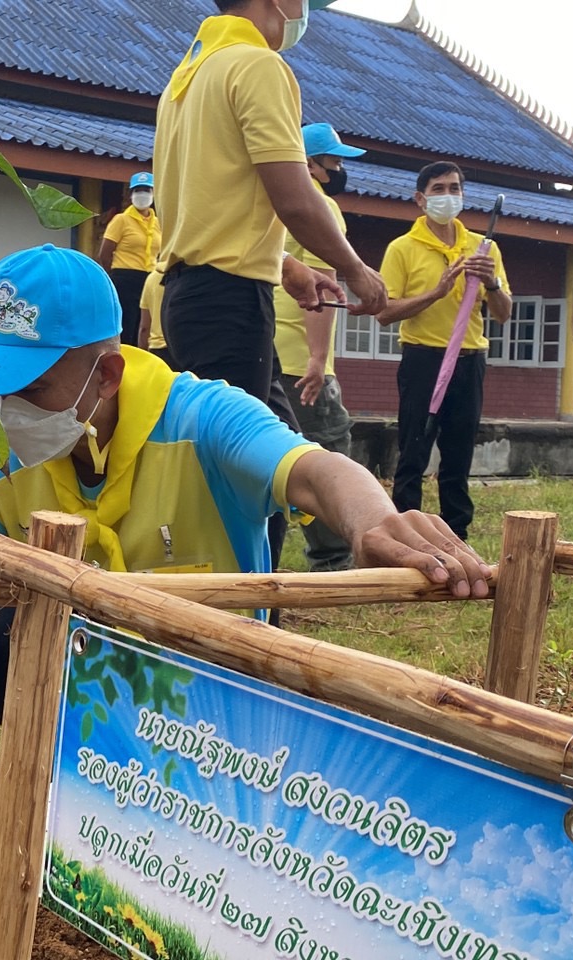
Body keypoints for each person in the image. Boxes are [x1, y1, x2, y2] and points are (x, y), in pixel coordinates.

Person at [0, 245, 491, 820]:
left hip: (218, 705)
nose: (4, 412)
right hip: (95, 691)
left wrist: (373, 520)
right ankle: (76, 794)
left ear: (104, 375)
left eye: (30, 389)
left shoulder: (202, 417)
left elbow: (313, 471)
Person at [153, 0, 387, 596]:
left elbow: (193, 204)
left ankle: (238, 601)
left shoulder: (188, 75)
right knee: (247, 467)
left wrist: (284, 265)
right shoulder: (257, 65)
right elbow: (296, 198)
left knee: (252, 444)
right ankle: (246, 614)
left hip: (191, 296)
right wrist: (355, 269)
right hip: (230, 304)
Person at [376, 161, 511, 542]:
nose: (448, 196)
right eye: (438, 189)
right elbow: (384, 312)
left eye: (455, 188)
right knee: (413, 453)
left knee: (458, 455)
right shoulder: (403, 248)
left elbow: (503, 314)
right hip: (424, 358)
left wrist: (493, 282)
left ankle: (457, 538)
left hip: (470, 361)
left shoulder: (484, 248)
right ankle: (406, 535)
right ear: (421, 199)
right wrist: (436, 292)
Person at [274, 123, 365, 571]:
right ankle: (334, 559)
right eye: (333, 161)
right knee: (328, 451)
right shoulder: (320, 206)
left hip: (266, 350)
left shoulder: (267, 201)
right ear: (309, 164)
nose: (339, 169)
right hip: (300, 356)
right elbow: (324, 287)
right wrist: (316, 358)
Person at [98, 172, 159, 349]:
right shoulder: (121, 220)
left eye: (146, 190)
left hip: (149, 279)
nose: (142, 194)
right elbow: (105, 253)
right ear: (131, 194)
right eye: (138, 190)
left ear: (153, 193)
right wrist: (113, 277)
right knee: (127, 326)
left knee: (146, 326)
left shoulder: (157, 223)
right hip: (125, 277)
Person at [137, 264, 170, 369]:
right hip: (182, 349)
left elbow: (144, 327)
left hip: (157, 351)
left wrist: (142, 358)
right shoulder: (186, 276)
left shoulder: (151, 278)